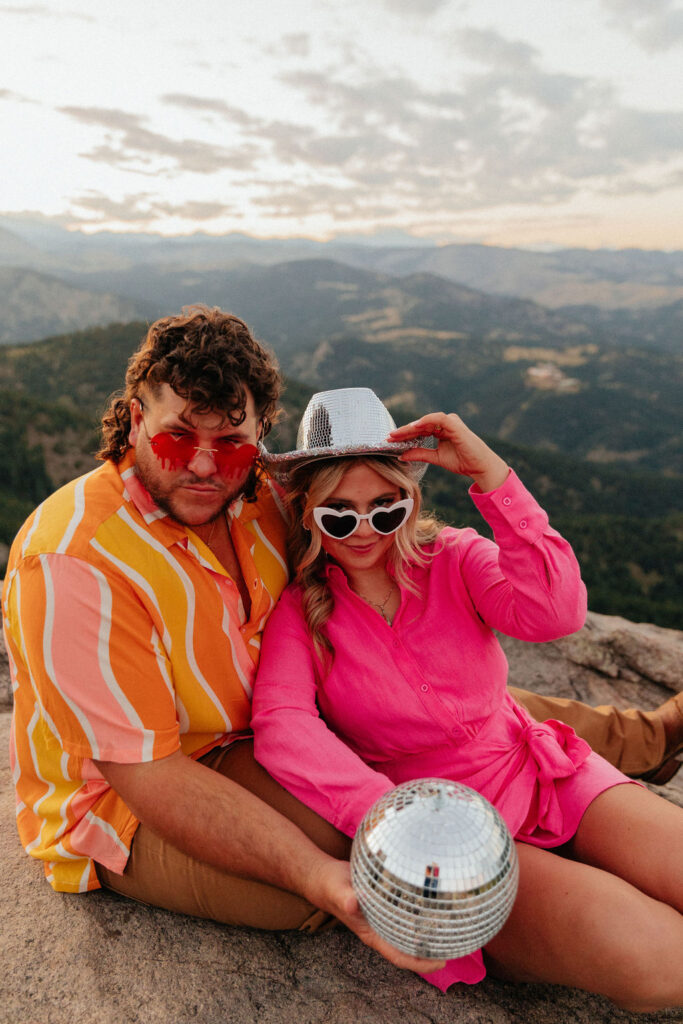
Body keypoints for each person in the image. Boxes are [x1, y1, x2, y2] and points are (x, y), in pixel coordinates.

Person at [2, 308, 680, 977]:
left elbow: (538, 615)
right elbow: (152, 769)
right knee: (309, 874)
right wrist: (345, 862)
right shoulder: (74, 560)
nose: (205, 467)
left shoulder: (262, 499)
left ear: (261, 444)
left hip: (259, 737)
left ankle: (649, 739)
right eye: (178, 441)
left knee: (448, 701)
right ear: (131, 418)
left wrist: (490, 479)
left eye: (232, 444)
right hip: (133, 791)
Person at [251, 387, 683, 1012]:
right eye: (340, 515)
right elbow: (282, 724)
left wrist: (493, 476)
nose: (365, 529)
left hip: (547, 773)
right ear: (309, 514)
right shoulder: (302, 612)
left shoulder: (452, 558)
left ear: (410, 497)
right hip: (450, 838)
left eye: (385, 508)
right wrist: (392, 824)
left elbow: (557, 613)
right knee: (662, 960)